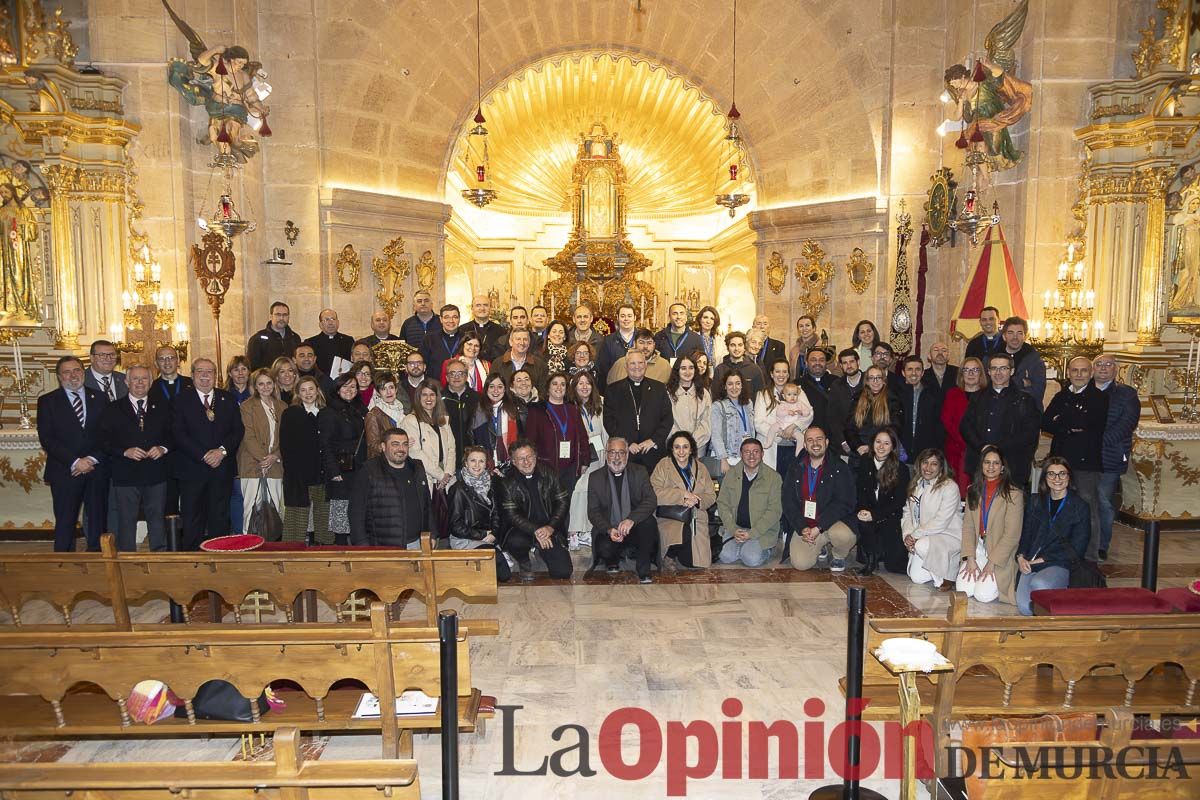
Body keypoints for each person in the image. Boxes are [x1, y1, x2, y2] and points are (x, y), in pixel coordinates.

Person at [172, 358, 244, 550]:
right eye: (200, 371)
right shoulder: (181, 400)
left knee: (219, 516)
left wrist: (221, 452)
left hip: (221, 468)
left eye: (210, 371)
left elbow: (237, 431)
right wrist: (204, 455)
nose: (205, 376)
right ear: (192, 375)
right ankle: (192, 558)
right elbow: (178, 433)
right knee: (192, 516)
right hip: (192, 468)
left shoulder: (226, 398)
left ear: (216, 376)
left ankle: (218, 554)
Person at [39, 356, 109, 552]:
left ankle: (97, 559)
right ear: (60, 377)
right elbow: (47, 438)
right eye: (67, 372)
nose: (73, 375)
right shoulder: (47, 401)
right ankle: (64, 562)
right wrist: (75, 462)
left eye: (77, 370)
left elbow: (108, 435)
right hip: (64, 471)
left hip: (96, 470)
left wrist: (91, 459)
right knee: (65, 521)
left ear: (83, 372)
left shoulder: (101, 398)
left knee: (97, 520)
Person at [98, 364, 170, 552]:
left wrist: (163, 448)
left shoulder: (163, 407)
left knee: (156, 517)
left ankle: (159, 555)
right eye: (135, 379)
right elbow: (103, 441)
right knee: (126, 519)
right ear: (127, 381)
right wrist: (124, 451)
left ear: (151, 382)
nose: (140, 383)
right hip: (125, 474)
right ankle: (127, 557)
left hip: (155, 473)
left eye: (144, 378)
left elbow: (174, 435)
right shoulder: (113, 409)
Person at [1042, 356, 1107, 550]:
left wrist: (1063, 421)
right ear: (1068, 373)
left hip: (1085, 463)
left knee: (1088, 509)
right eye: (1075, 371)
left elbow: (1088, 423)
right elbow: (1045, 422)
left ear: (1091, 373)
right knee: (1059, 506)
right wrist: (1070, 426)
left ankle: (1090, 556)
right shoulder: (1062, 396)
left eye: (1083, 370)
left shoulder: (1099, 397)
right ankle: (1061, 549)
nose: (1079, 375)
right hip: (1061, 460)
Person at [1016, 456, 1091, 615]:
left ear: (1069, 477)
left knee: (1039, 583)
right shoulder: (1035, 501)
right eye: (1051, 474)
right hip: (1031, 562)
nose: (1057, 479)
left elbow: (1077, 549)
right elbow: (1026, 534)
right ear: (1045, 478)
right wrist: (1021, 557)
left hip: (1060, 562)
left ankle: (1061, 596)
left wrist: (1044, 559)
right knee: (1024, 607)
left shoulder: (1080, 507)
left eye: (1062, 474)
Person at [783, 426, 858, 572]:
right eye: (810, 440)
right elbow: (788, 502)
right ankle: (820, 547)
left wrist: (820, 527)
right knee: (800, 564)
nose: (815, 443)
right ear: (804, 445)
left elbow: (845, 503)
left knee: (843, 536)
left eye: (819, 439)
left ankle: (838, 555)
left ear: (827, 442)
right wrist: (802, 527)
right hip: (807, 525)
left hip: (832, 524)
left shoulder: (840, 467)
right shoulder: (795, 467)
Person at [960, 352, 1041, 487]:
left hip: (1013, 467)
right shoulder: (977, 397)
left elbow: (1029, 434)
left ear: (1012, 371)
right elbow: (965, 426)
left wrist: (998, 449)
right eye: (994, 368)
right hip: (980, 466)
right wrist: (983, 447)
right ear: (989, 372)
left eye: (1003, 368)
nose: (998, 372)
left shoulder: (1025, 400)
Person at [497, 439, 574, 580]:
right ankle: (523, 561)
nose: (526, 462)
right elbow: (511, 515)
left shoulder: (550, 473)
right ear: (513, 461)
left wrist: (550, 527)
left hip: (549, 528)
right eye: (521, 459)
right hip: (522, 530)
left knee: (563, 572)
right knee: (515, 542)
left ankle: (541, 550)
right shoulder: (507, 482)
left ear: (536, 456)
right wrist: (536, 530)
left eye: (529, 456)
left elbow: (563, 502)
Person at [957, 445, 1023, 605]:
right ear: (981, 465)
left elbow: (1012, 536)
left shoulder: (1014, 494)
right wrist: (970, 558)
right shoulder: (973, 490)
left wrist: (991, 563)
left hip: (999, 551)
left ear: (1002, 467)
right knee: (963, 590)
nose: (991, 467)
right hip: (978, 546)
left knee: (983, 596)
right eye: (987, 462)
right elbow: (968, 527)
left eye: (996, 463)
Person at [587, 436, 658, 582]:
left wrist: (631, 519)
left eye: (621, 452)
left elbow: (651, 500)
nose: (617, 457)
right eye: (612, 452)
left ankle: (644, 570)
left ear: (627, 454)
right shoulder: (595, 477)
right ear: (606, 454)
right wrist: (608, 529)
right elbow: (593, 512)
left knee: (649, 523)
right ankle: (612, 560)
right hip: (610, 529)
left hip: (634, 526)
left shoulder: (640, 471)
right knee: (605, 549)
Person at [1091, 354, 1139, 561]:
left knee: (1103, 501)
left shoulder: (1126, 394)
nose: (1103, 368)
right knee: (1083, 500)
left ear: (1116, 369)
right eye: (1099, 364)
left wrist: (1093, 441)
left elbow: (1126, 424)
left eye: (1108, 364)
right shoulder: (1083, 390)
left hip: (1109, 455)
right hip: (1082, 457)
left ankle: (1102, 545)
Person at [350, 428, 431, 549]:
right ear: (383, 446)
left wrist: (432, 534)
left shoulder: (417, 468)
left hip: (418, 544)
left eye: (405, 444)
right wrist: (362, 546)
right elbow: (356, 512)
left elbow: (427, 505)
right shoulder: (368, 471)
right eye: (395, 444)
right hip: (383, 548)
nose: (401, 449)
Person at [651, 431, 717, 570]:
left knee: (694, 564)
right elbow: (653, 493)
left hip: (696, 518)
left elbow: (711, 495)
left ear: (691, 449)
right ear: (672, 449)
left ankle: (679, 553)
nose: (681, 451)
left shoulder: (701, 468)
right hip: (671, 517)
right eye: (677, 447)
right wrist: (682, 495)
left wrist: (697, 501)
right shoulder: (664, 465)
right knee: (681, 534)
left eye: (685, 447)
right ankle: (669, 556)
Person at [448, 445, 512, 582]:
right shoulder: (458, 489)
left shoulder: (491, 483)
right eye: (473, 461)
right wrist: (482, 535)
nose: (477, 465)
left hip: (487, 536)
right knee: (500, 572)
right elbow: (455, 526)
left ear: (486, 464)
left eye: (481, 461)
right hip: (466, 539)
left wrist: (493, 534)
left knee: (504, 574)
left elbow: (496, 514)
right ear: (466, 463)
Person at [603, 350, 674, 472]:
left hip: (653, 452)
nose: (637, 367)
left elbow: (667, 419)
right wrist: (627, 443)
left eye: (640, 362)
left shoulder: (659, 388)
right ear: (626, 366)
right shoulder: (613, 390)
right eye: (632, 363)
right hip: (625, 453)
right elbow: (609, 421)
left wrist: (653, 441)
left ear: (646, 365)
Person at [901, 449, 963, 589]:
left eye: (934, 464)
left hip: (947, 536)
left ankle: (948, 575)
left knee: (921, 546)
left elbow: (941, 521)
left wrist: (915, 535)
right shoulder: (916, 484)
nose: (928, 468)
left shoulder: (949, 487)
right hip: (924, 536)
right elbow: (907, 513)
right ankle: (938, 567)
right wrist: (907, 535)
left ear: (941, 467)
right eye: (925, 462)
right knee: (916, 577)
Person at [716, 438, 783, 567]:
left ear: (762, 454)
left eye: (756, 452)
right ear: (741, 454)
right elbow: (722, 504)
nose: (751, 456)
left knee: (751, 559)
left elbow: (775, 511)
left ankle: (765, 548)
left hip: (761, 531)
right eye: (747, 452)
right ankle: (743, 546)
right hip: (735, 528)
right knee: (725, 557)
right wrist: (732, 529)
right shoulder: (731, 475)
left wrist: (752, 534)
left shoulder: (774, 478)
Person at [853, 427, 910, 576]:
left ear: (893, 446)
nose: (881, 446)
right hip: (869, 513)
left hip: (891, 515)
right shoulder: (865, 462)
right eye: (878, 442)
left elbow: (899, 501)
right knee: (863, 522)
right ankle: (871, 560)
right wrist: (864, 510)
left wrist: (876, 515)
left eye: (886, 443)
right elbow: (861, 490)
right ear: (872, 444)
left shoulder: (901, 468)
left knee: (894, 566)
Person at [280, 376, 329, 544]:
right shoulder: (291, 413)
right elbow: (286, 446)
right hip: (299, 475)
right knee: (297, 515)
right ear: (298, 394)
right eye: (303, 390)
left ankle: (323, 550)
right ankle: (291, 551)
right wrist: (293, 473)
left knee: (323, 515)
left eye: (311, 389)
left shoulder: (325, 413)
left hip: (322, 473)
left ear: (317, 391)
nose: (308, 393)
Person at [319, 374, 367, 544]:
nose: (349, 390)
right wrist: (333, 472)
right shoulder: (329, 412)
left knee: (356, 517)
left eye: (353, 386)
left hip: (359, 470)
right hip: (341, 471)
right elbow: (325, 444)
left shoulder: (360, 410)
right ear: (337, 389)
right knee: (340, 522)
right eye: (345, 386)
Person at [237, 368, 286, 532]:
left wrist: (275, 457)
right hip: (252, 464)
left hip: (276, 464)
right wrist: (264, 460)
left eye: (269, 383)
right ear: (255, 386)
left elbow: (287, 437)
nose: (265, 387)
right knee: (251, 509)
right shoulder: (247, 406)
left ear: (274, 384)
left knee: (276, 509)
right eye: (261, 384)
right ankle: (249, 545)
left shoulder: (282, 406)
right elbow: (248, 436)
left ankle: (273, 548)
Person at [526, 372, 592, 494]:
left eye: (562, 384)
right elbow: (530, 442)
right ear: (548, 388)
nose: (559, 387)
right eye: (555, 384)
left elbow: (583, 437)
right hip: (546, 468)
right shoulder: (538, 410)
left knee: (566, 507)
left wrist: (585, 461)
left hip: (570, 468)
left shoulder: (573, 409)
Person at [567, 371, 607, 549]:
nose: (584, 387)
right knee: (578, 491)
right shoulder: (569, 407)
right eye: (580, 383)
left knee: (593, 491)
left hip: (599, 451)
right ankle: (573, 531)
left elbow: (605, 431)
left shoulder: (601, 404)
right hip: (580, 454)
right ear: (574, 387)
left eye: (588, 383)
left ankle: (588, 531)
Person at [941, 356, 987, 497]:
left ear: (981, 374)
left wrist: (977, 445)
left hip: (981, 451)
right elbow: (947, 420)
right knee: (956, 493)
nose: (971, 373)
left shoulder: (987, 395)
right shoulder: (953, 394)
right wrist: (964, 442)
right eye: (966, 370)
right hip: (956, 451)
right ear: (961, 374)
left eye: (975, 370)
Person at [755, 361, 812, 474]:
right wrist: (780, 433)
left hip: (793, 445)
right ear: (771, 374)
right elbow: (759, 423)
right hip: (773, 447)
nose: (781, 375)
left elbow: (809, 413)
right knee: (772, 484)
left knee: (792, 484)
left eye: (784, 371)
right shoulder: (763, 394)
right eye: (777, 371)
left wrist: (793, 427)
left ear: (788, 374)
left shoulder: (798, 391)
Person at [401, 379, 457, 493]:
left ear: (437, 397)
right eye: (424, 395)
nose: (429, 399)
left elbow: (452, 447)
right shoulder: (411, 421)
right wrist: (440, 475)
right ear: (418, 397)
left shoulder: (444, 419)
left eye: (432, 395)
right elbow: (415, 452)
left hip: (447, 478)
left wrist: (448, 473)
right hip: (426, 479)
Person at [844, 366, 903, 462]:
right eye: (871, 378)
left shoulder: (893, 400)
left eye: (878, 377)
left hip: (883, 454)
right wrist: (858, 446)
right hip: (859, 454)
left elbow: (895, 428)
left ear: (884, 380)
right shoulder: (857, 399)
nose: (875, 381)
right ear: (866, 381)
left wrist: (879, 447)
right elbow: (849, 428)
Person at [707, 370, 756, 477]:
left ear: (742, 385)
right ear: (725, 386)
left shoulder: (748, 404)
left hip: (746, 458)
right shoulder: (718, 406)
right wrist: (723, 459)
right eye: (730, 384)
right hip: (728, 458)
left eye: (738, 383)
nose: (734, 387)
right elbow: (716, 435)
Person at [472, 373, 523, 472]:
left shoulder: (514, 410)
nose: (496, 390)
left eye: (500, 387)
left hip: (511, 464)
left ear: (505, 389)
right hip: (483, 465)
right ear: (486, 389)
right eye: (491, 387)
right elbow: (472, 438)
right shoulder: (477, 410)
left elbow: (520, 437)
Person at [898, 355, 944, 463]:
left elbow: (939, 424)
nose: (914, 373)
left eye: (917, 369)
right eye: (910, 369)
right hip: (901, 453)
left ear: (922, 373)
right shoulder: (895, 393)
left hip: (926, 454)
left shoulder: (933, 393)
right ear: (903, 373)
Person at [666, 353, 712, 454]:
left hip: (697, 448)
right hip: (674, 448)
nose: (687, 372)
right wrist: (679, 443)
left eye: (691, 368)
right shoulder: (668, 393)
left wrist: (691, 443)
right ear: (677, 371)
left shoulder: (704, 394)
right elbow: (666, 422)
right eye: (683, 368)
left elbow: (706, 423)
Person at [1002, 316, 1047, 410]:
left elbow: (1037, 393)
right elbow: (988, 388)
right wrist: (1021, 382)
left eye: (1019, 333)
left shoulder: (1035, 360)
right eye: (1010, 333)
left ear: (1025, 336)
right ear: (1004, 336)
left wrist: (1006, 384)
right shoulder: (993, 358)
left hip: (1027, 413)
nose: (1015, 337)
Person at [826, 348, 864, 459]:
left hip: (867, 443)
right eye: (845, 363)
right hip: (844, 446)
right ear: (841, 366)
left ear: (858, 362)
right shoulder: (836, 385)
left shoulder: (868, 382)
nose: (849, 365)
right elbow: (833, 417)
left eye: (852, 361)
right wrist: (842, 441)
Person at [442, 359, 479, 467]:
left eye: (460, 373)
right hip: (447, 459)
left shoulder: (477, 398)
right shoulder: (439, 399)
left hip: (473, 459)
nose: (456, 377)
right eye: (452, 374)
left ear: (466, 376)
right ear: (447, 377)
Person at [364, 372, 410, 458]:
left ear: (396, 389)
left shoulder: (401, 409)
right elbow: (373, 447)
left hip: (402, 458)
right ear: (378, 393)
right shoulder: (373, 415)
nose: (388, 392)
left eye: (391, 387)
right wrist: (398, 446)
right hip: (383, 463)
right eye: (383, 389)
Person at [491, 329, 548, 396]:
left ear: (529, 343)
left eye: (525, 339)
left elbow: (542, 392)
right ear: (510, 342)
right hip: (505, 404)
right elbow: (492, 388)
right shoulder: (497, 363)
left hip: (531, 405)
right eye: (518, 339)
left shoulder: (539, 365)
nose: (522, 343)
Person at [247, 301, 302, 370]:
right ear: (271, 316)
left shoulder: (295, 338)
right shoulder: (257, 339)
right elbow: (251, 366)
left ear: (288, 317)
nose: (281, 318)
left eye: (285, 315)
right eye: (278, 315)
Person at [596, 304, 640, 388]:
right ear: (618, 317)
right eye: (622, 316)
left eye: (629, 316)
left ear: (634, 318)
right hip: (615, 386)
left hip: (638, 385)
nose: (626, 319)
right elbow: (604, 368)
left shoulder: (641, 338)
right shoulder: (608, 340)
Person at [305, 308, 355, 377]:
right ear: (321, 324)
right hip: (320, 381)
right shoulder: (311, 343)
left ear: (338, 322)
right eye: (327, 320)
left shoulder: (348, 341)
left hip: (343, 382)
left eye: (333, 319)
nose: (330, 323)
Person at [712, 331, 764, 396]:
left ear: (744, 347)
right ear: (727, 348)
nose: (736, 349)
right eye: (733, 345)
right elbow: (715, 396)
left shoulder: (755, 369)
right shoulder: (720, 370)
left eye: (740, 345)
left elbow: (761, 396)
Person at [798, 347, 835, 438]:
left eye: (821, 360)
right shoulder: (797, 384)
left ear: (826, 363)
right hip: (807, 436)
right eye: (813, 360)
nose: (817, 363)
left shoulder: (837, 382)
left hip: (833, 436)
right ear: (806, 363)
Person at [419, 304, 463, 379]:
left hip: (461, 383)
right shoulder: (429, 339)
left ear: (459, 319)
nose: (451, 321)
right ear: (441, 319)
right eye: (447, 317)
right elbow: (422, 363)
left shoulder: (466, 338)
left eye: (455, 317)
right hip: (436, 385)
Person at [460, 294, 506, 361]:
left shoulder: (500, 331)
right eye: (478, 305)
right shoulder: (462, 329)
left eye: (485, 305)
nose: (482, 308)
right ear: (472, 308)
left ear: (490, 308)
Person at [692, 305, 726, 375]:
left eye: (712, 319)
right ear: (700, 319)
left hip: (716, 377)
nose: (708, 321)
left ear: (715, 322)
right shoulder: (693, 337)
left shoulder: (720, 340)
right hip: (697, 376)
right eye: (705, 317)